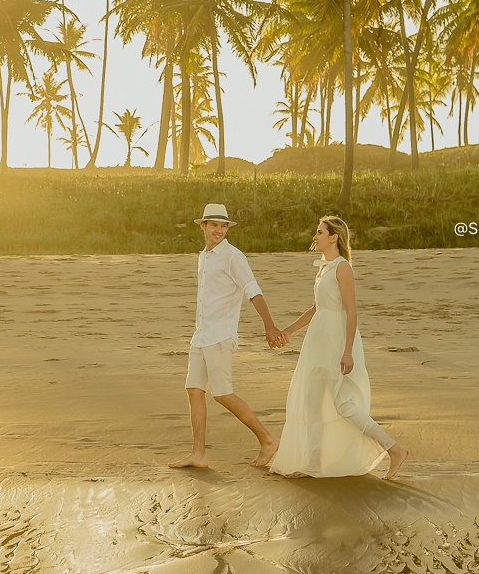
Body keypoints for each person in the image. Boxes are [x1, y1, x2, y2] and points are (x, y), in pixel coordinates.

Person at [270, 216, 410, 480]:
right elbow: (316, 308)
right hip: (317, 341)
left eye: (320, 232)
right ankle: (313, 463)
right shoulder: (323, 268)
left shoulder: (342, 267)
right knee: (312, 402)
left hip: (336, 341)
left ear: (334, 237)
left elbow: (351, 310)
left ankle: (394, 450)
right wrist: (288, 330)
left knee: (342, 404)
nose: (315, 236)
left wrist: (347, 351)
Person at [170, 203, 286, 469]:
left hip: (220, 334)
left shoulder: (233, 256)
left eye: (223, 226)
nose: (219, 230)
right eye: (214, 225)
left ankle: (268, 439)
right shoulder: (205, 256)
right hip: (201, 334)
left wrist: (269, 326)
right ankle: (198, 454)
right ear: (204, 226)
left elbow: (252, 289)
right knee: (194, 390)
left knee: (222, 394)